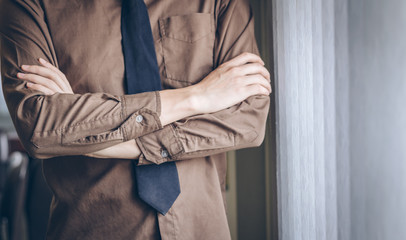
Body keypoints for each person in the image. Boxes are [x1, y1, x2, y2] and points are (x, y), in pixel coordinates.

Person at [0, 0, 271, 239]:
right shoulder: (29, 4)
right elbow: (38, 126)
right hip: (90, 229)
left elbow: (249, 120)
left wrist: (88, 138)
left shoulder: (221, 2)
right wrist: (196, 97)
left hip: (201, 228)